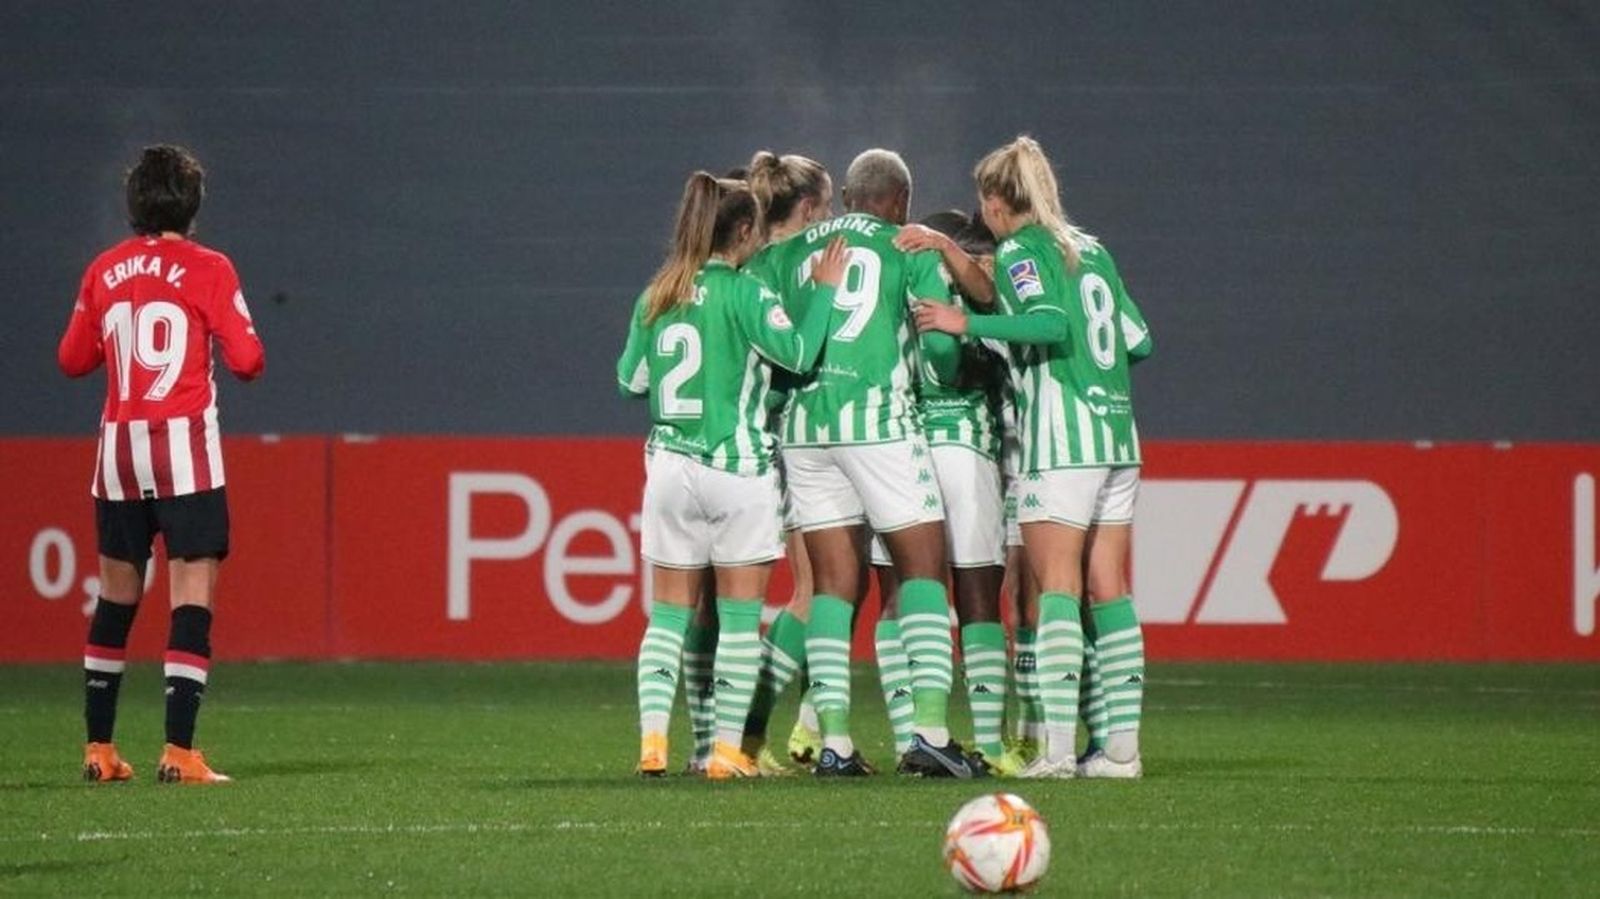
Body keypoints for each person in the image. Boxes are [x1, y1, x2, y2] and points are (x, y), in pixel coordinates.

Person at [913, 135, 1152, 779]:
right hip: (1117, 437)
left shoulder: (1022, 250)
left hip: (1063, 441)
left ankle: (1054, 752)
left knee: (1058, 591)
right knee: (1111, 589)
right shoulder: (1091, 250)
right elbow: (1138, 338)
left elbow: (1047, 324)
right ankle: (1122, 753)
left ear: (995, 201)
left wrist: (968, 326)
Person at [616, 171, 846, 779]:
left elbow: (630, 381)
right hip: (737, 467)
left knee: (668, 615)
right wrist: (823, 291)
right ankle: (724, 752)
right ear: (744, 231)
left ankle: (653, 744)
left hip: (669, 469)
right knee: (741, 620)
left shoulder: (657, 293)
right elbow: (797, 354)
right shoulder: (746, 293)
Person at [754, 148, 975, 778]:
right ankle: (930, 731)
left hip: (805, 431)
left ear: (850, 197)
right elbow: (940, 347)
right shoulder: (910, 246)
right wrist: (944, 370)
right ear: (901, 200)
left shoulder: (788, 252)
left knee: (831, 586)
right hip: (877, 424)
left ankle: (836, 744)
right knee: (925, 567)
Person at [58, 144, 265, 785]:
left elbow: (72, 359)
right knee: (191, 595)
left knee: (116, 597)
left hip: (118, 451)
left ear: (134, 205)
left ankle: (99, 750)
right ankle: (178, 753)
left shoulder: (104, 269)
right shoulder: (210, 268)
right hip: (184, 452)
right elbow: (248, 361)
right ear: (194, 206)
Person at [869, 210, 1015, 774]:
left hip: (899, 451)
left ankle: (911, 736)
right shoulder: (972, 302)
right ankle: (989, 744)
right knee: (977, 596)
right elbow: (959, 366)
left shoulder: (895, 293)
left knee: (899, 595)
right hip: (964, 451)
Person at [738, 151, 836, 773]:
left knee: (823, 590)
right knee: (814, 593)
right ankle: (748, 731)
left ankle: (812, 729)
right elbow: (793, 359)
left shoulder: (748, 266)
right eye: (826, 209)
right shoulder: (798, 268)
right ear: (807, 209)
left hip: (760, 439)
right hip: (793, 439)